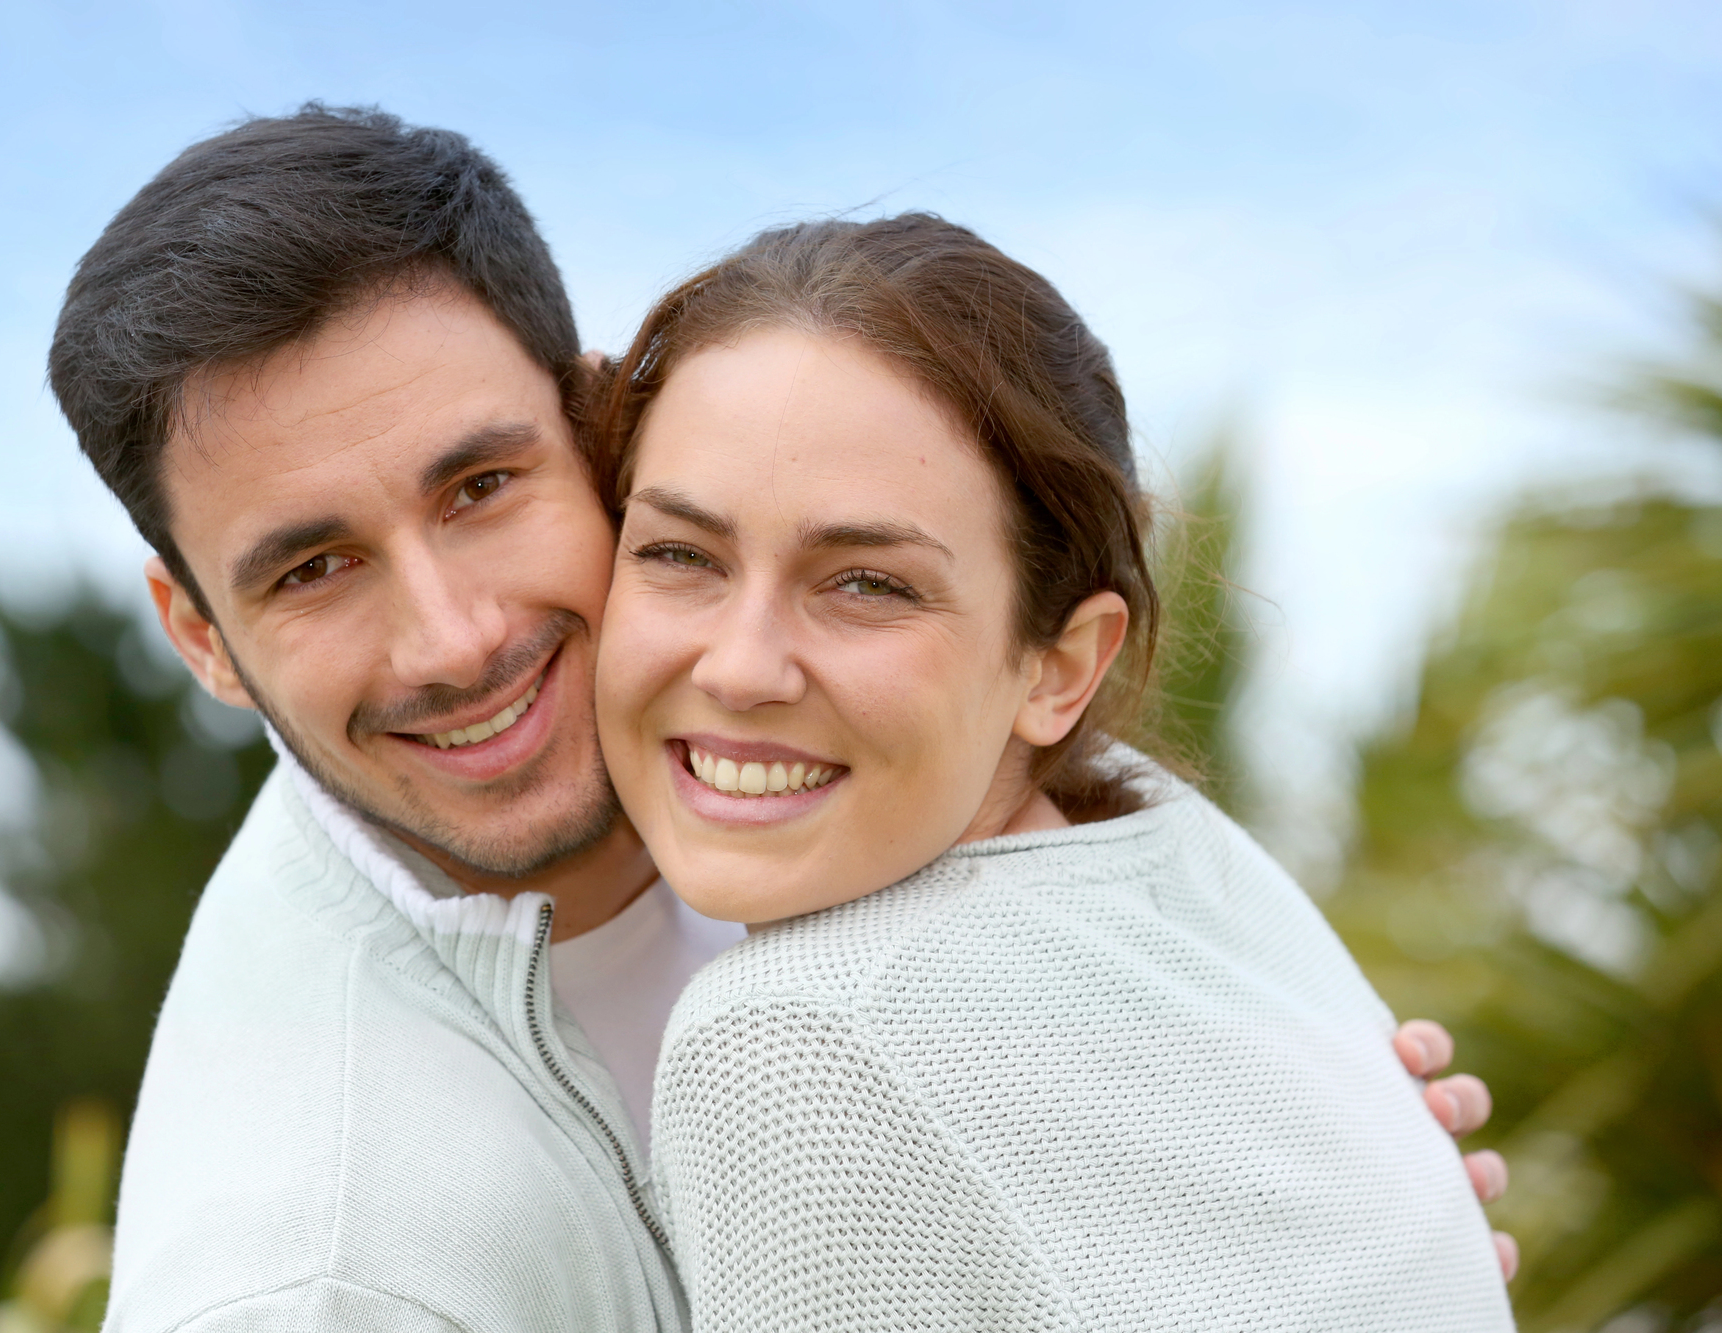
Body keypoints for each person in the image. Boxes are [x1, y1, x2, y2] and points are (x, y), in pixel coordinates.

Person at [47, 104, 1511, 1332]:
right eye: (313, 570)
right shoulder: (314, 1275)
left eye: (482, 488)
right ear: (203, 638)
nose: (456, 639)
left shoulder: (941, 770)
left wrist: (1340, 1230)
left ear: (595, 423)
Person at [593, 213, 1514, 1331]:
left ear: (1060, 666)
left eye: (867, 584)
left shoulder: (786, 1041)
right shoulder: (1160, 837)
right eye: (678, 553)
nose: (738, 668)